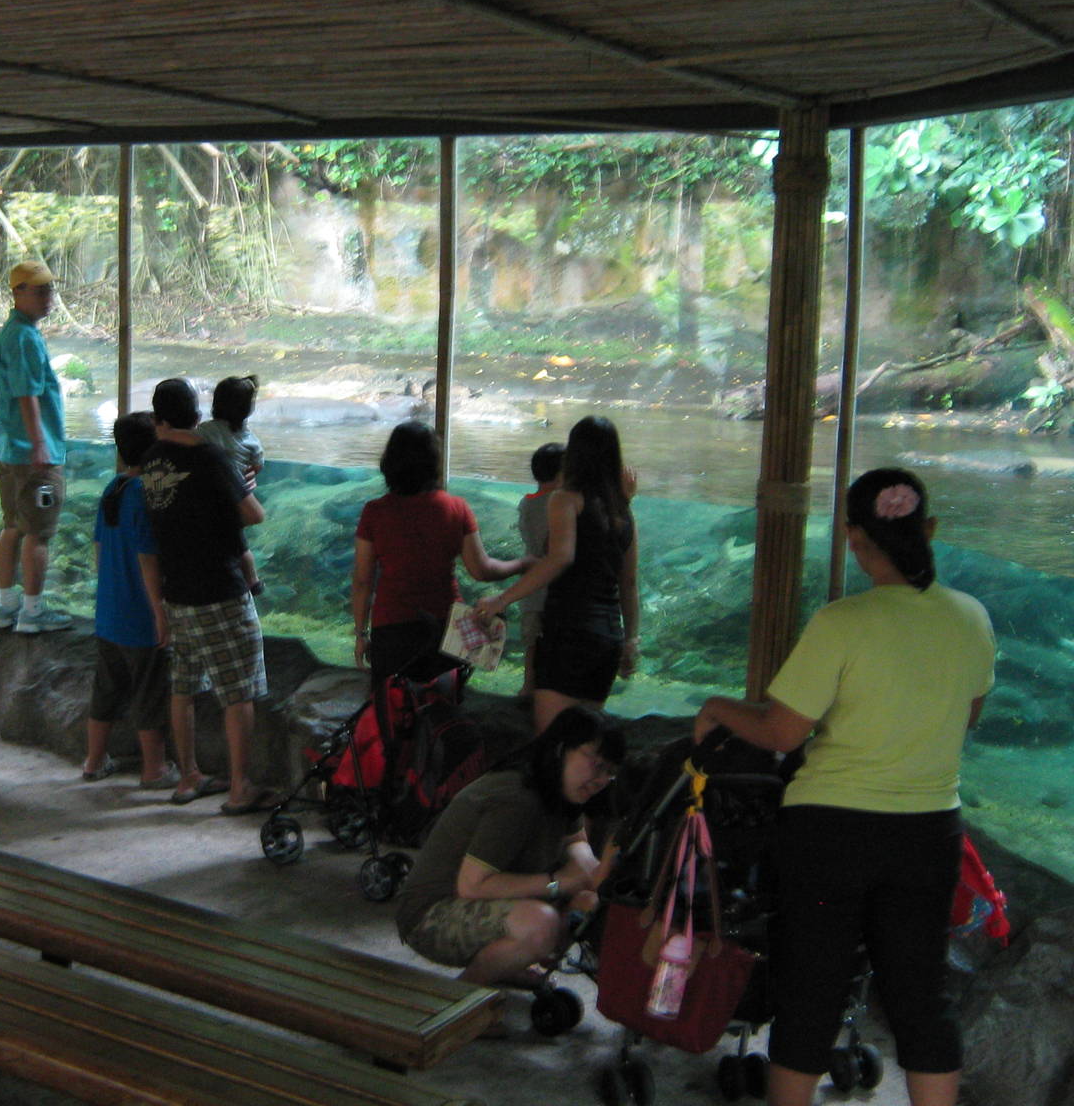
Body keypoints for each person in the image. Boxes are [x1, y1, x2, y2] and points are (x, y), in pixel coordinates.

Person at [694, 468, 995, 1106]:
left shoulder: (841, 622)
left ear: (854, 539)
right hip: (929, 834)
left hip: (830, 834)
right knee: (922, 999)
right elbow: (966, 715)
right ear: (930, 531)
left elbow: (779, 732)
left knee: (810, 993)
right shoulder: (972, 618)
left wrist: (720, 707)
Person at [395, 705, 623, 987]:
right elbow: (473, 886)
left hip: (478, 901)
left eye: (609, 772)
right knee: (540, 924)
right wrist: (558, 883)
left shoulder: (561, 789)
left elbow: (576, 842)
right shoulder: (517, 798)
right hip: (430, 914)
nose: (601, 780)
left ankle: (503, 963)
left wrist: (585, 867)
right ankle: (464, 998)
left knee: (588, 903)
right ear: (562, 748)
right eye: (596, 765)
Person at [140, 378, 272, 814]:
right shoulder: (210, 455)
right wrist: (243, 485)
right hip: (219, 589)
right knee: (238, 692)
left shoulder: (152, 460)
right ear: (197, 416)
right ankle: (239, 788)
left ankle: (188, 776)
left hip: (176, 594)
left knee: (183, 688)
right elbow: (252, 514)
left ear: (157, 418)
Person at [474, 416, 640, 734]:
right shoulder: (624, 511)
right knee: (584, 739)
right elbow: (629, 583)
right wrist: (631, 640)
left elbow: (560, 557)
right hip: (608, 639)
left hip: (569, 632)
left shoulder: (564, 499)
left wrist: (502, 599)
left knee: (551, 742)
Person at [351, 421, 529, 691]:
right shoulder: (456, 507)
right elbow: (481, 570)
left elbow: (362, 580)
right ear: (434, 462)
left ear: (390, 462)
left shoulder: (374, 511)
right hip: (446, 628)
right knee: (441, 711)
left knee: (392, 711)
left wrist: (361, 633)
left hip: (392, 628)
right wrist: (524, 563)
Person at [82, 411, 177, 789]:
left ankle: (92, 761)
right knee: (149, 692)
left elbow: (98, 550)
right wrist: (160, 612)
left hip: (109, 613)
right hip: (140, 617)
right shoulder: (145, 494)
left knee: (106, 690)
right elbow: (147, 558)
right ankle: (154, 769)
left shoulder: (114, 488)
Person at [0, 260, 72, 634]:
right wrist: (40, 444)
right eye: (38, 291)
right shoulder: (23, 337)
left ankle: (5, 605)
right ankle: (32, 612)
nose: (47, 298)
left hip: (10, 448)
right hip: (32, 455)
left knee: (14, 525)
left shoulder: (13, 333)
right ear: (17, 292)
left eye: (49, 290)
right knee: (38, 530)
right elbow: (27, 393)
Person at [197, 375, 265, 596]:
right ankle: (253, 581)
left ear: (215, 403)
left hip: (210, 498)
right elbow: (256, 466)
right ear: (249, 408)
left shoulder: (205, 430)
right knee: (238, 543)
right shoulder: (251, 439)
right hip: (238, 500)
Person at [517, 442, 565, 697]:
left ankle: (527, 687)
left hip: (530, 588)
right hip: (554, 588)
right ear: (563, 473)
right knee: (553, 644)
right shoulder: (559, 503)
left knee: (532, 644)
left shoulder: (527, 502)